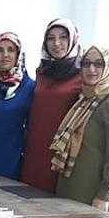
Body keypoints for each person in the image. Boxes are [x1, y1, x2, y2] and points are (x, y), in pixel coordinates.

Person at [52, 46, 109, 208]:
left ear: (108, 67)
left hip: (91, 193)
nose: (91, 69)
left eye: (98, 64)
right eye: (86, 63)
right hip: (68, 185)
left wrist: (103, 196)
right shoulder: (82, 100)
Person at [20, 18, 83, 192]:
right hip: (34, 149)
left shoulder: (82, 76)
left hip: (60, 153)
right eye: (50, 38)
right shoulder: (42, 72)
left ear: (73, 40)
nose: (56, 43)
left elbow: (100, 98)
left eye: (63, 37)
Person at [0, 32, 36, 180]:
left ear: (18, 54)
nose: (5, 55)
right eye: (0, 50)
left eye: (11, 50)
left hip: (9, 159)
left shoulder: (29, 87)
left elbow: (31, 126)